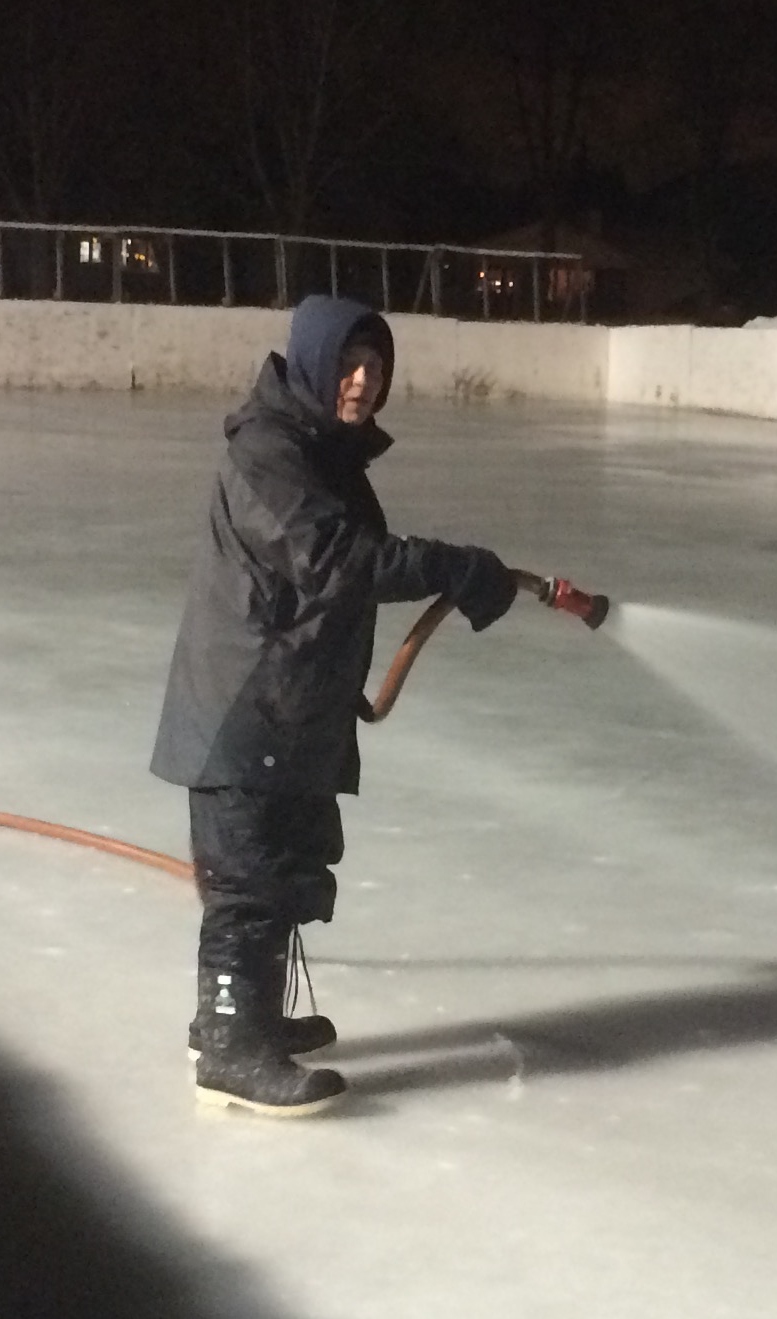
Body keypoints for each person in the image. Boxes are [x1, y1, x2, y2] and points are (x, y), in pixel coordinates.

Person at [149, 294, 516, 1117]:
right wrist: (451, 567)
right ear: (314, 364)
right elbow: (336, 560)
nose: (361, 382)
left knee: (280, 869)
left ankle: (240, 1023)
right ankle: (230, 1050)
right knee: (248, 880)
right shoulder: (269, 451)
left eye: (375, 367)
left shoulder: (321, 451)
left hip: (284, 706)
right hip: (244, 709)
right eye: (348, 365)